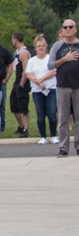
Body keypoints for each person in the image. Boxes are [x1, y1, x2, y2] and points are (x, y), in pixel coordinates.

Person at [49, 19, 79, 157]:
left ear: (75, 29)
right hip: (63, 85)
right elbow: (50, 65)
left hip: (77, 85)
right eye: (65, 27)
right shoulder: (57, 46)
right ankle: (63, 147)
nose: (67, 29)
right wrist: (65, 59)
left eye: (70, 27)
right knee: (63, 117)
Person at [10, 32, 31, 137]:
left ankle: (26, 128)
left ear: (15, 39)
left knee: (23, 106)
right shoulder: (17, 52)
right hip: (16, 82)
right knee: (14, 105)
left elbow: (25, 69)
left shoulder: (23, 53)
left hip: (22, 82)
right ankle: (21, 126)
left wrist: (22, 83)